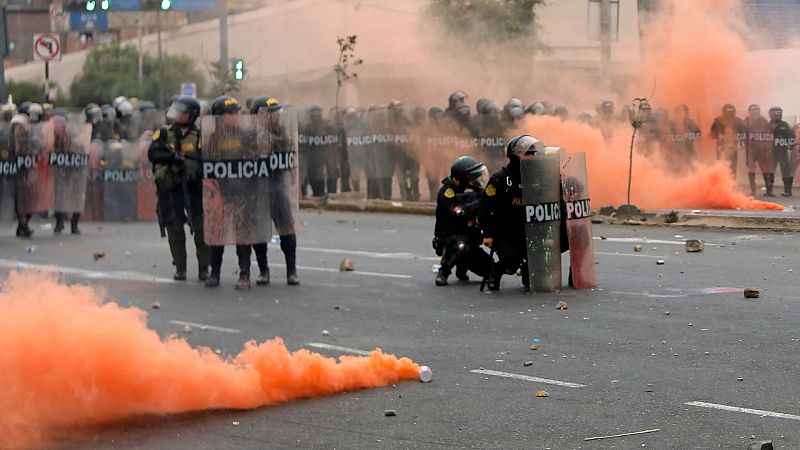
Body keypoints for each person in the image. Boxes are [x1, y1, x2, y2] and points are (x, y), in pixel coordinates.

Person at [148, 96, 210, 281]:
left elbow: (205, 160)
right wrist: (172, 158)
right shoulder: (164, 133)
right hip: (171, 189)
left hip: (194, 189)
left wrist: (189, 166)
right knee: (174, 228)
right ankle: (180, 267)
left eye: (181, 111)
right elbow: (154, 154)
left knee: (201, 229)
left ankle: (204, 268)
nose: (176, 114)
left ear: (191, 115)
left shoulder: (201, 136)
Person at [478, 135, 540, 291]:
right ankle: (496, 272)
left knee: (536, 259)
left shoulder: (537, 178)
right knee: (511, 261)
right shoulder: (500, 179)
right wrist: (488, 233)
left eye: (533, 154)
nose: (531, 157)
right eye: (527, 154)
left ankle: (527, 272)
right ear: (514, 155)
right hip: (504, 232)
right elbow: (485, 207)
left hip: (528, 230)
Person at [252, 96, 300, 285]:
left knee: (287, 229)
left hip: (278, 187)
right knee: (259, 233)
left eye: (275, 114)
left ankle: (292, 270)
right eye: (270, 114)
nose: (275, 118)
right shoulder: (248, 135)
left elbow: (289, 154)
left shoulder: (282, 131)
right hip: (257, 189)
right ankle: (263, 271)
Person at [433, 156, 492, 286]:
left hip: (471, 238)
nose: (477, 179)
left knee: (491, 270)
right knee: (460, 246)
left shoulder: (476, 190)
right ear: (462, 178)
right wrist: (475, 205)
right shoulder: (446, 192)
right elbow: (457, 212)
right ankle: (444, 271)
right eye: (473, 177)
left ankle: (462, 267)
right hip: (450, 237)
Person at [743, 104, 774, 197]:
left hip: (763, 150)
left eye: (757, 110)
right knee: (751, 169)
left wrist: (767, 149)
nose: (756, 112)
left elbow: (770, 134)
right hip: (751, 150)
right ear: (749, 111)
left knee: (766, 170)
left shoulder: (764, 121)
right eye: (753, 110)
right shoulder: (746, 122)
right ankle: (753, 190)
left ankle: (769, 190)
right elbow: (742, 134)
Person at [710, 104, 746, 178]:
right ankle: (722, 185)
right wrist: (720, 135)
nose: (729, 114)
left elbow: (743, 134)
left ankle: (730, 185)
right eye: (728, 112)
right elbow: (712, 135)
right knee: (721, 168)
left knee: (732, 169)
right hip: (721, 149)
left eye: (731, 112)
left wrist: (736, 139)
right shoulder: (718, 121)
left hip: (733, 149)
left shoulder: (738, 121)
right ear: (723, 112)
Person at [769, 106, 797, 197]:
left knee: (785, 171)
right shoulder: (767, 124)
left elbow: (792, 137)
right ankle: (769, 190)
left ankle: (787, 191)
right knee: (770, 170)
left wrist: (790, 147)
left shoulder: (785, 125)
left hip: (782, 151)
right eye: (775, 114)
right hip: (772, 152)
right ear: (771, 115)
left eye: (778, 114)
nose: (777, 115)